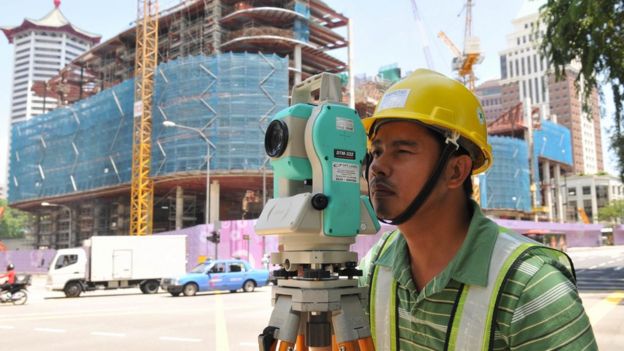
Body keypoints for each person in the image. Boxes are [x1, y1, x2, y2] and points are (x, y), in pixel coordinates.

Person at [359, 69, 596, 350]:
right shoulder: (375, 266)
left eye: (402, 151)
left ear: (456, 170)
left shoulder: (531, 285)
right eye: (376, 152)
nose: (377, 167)